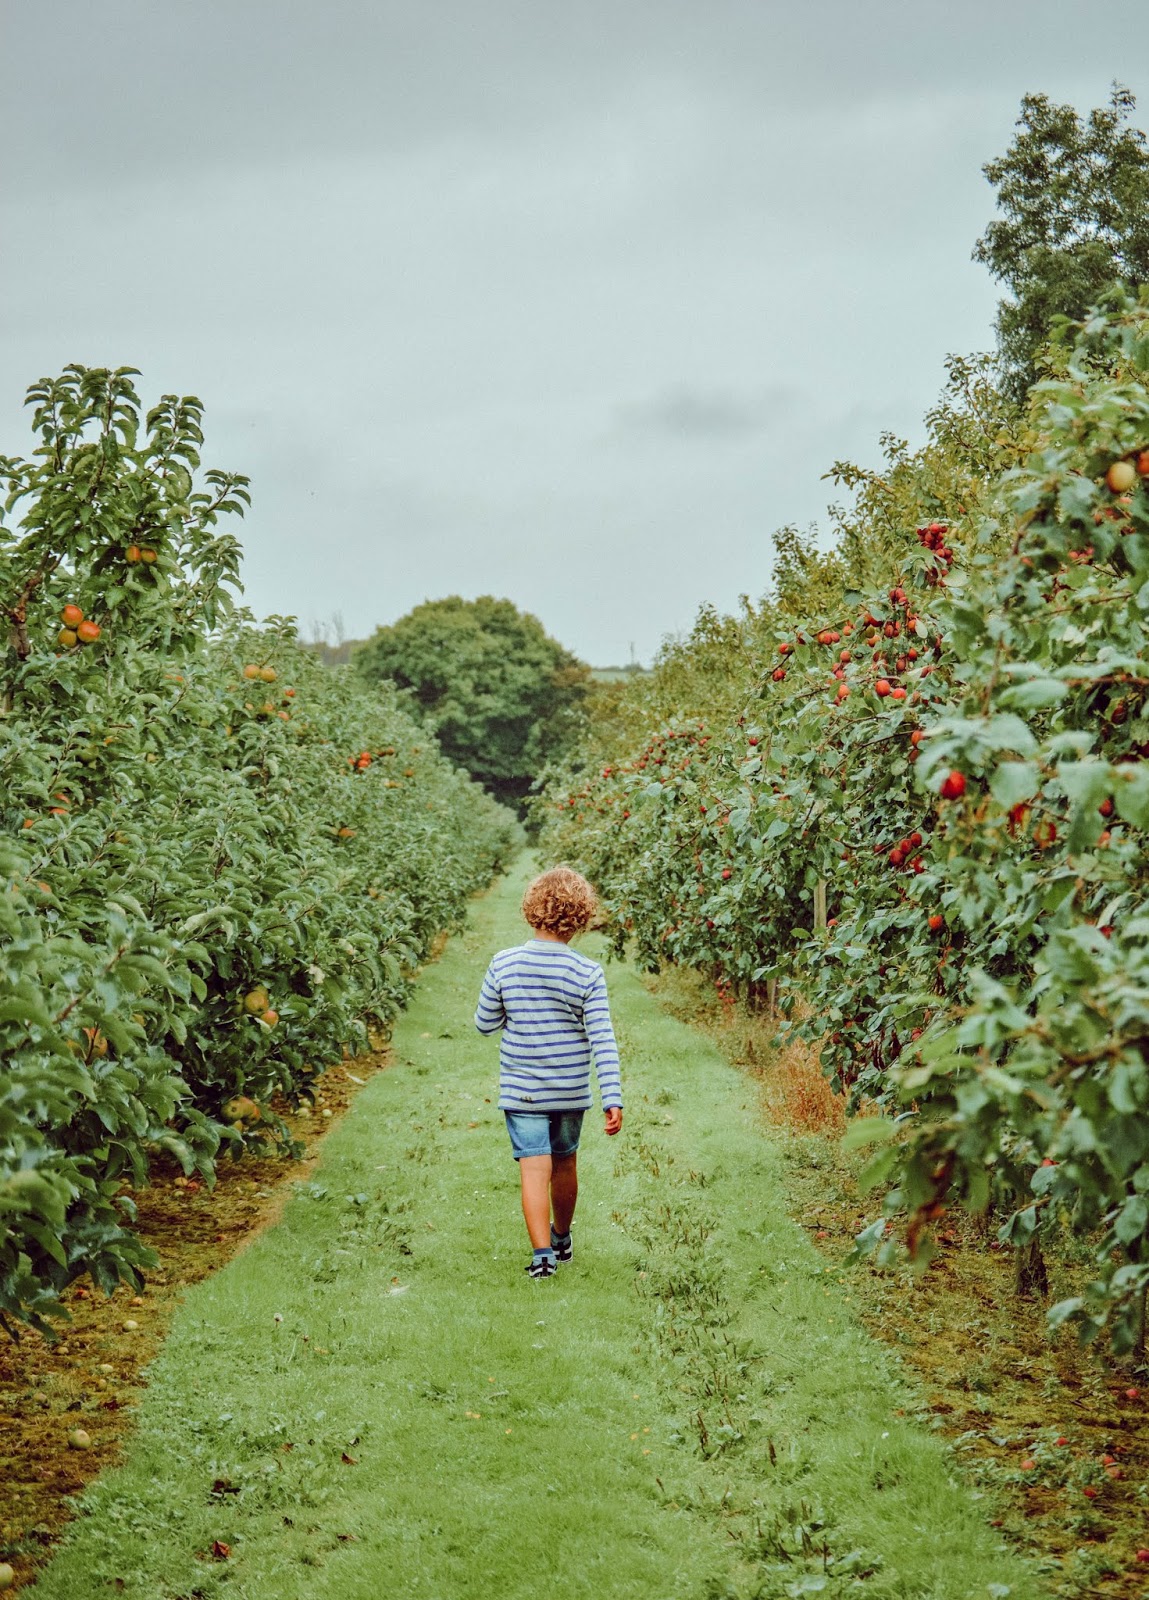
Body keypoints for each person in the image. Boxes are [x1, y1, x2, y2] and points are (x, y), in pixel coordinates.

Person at [474, 866, 623, 1278]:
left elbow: (484, 1023)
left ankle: (542, 1257)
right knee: (565, 1164)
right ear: (580, 917)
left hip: (523, 1090)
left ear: (531, 909)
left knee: (533, 1168)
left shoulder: (504, 964)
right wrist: (612, 1095)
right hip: (570, 1090)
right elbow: (603, 1039)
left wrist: (515, 1010)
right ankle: (561, 1237)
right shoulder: (587, 973)